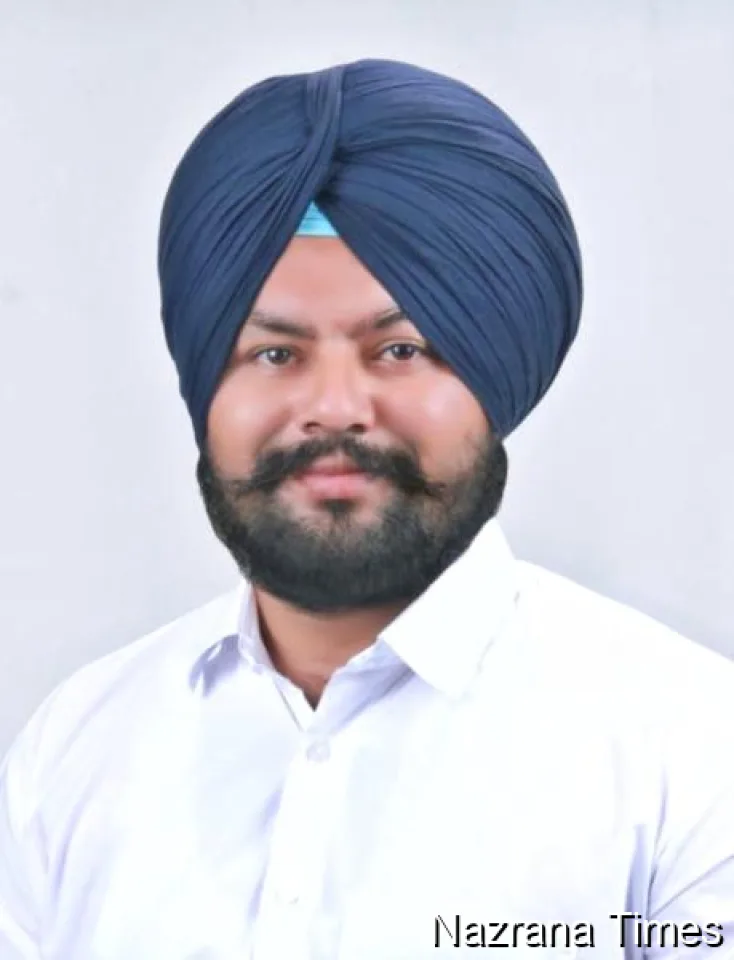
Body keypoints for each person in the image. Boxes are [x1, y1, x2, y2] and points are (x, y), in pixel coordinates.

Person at [0, 58, 732, 960]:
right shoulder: (75, 749)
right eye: (274, 355)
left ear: (495, 380)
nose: (336, 408)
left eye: (401, 350)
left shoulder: (691, 754)